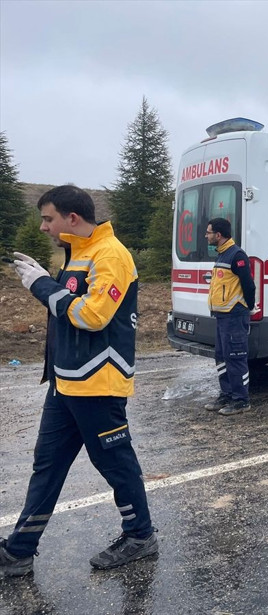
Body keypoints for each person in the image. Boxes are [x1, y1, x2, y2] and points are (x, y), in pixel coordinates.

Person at [0, 185, 157, 578]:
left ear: (72, 218)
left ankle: (140, 535)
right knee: (46, 466)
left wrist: (40, 285)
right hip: (66, 383)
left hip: (98, 383)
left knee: (115, 464)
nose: (43, 227)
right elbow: (66, 307)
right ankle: (18, 552)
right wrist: (46, 283)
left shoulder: (111, 255)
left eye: (48, 218)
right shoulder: (79, 252)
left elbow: (92, 316)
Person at [202, 217, 256, 416]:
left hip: (234, 315)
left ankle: (241, 400)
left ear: (218, 235)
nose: (206, 236)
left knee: (235, 357)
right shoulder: (221, 255)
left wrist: (248, 307)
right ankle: (227, 394)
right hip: (222, 315)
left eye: (208, 232)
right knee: (222, 357)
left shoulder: (237, 255)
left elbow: (249, 285)